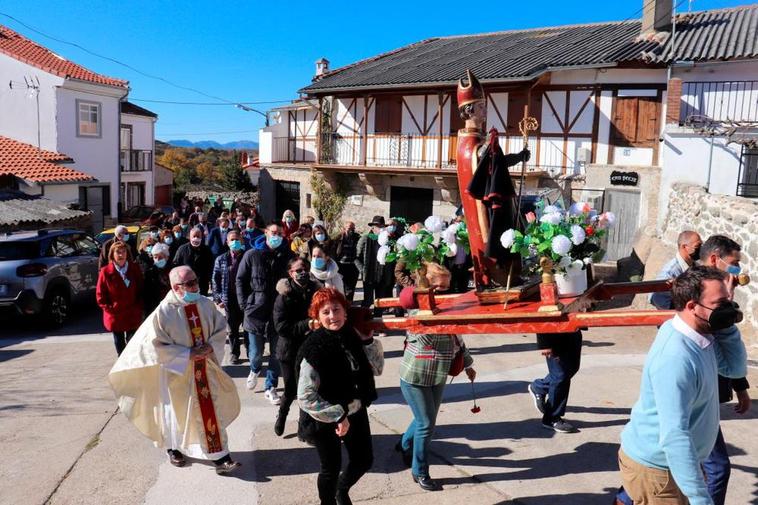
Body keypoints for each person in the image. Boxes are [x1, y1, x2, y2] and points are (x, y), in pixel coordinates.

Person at [618, 266, 746, 505]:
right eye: (720, 304)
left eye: (728, 301)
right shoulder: (676, 357)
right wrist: (700, 498)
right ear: (691, 306)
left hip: (672, 464)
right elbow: (675, 436)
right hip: (658, 470)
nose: (728, 310)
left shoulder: (701, 333)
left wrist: (725, 320)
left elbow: (734, 368)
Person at [108, 266, 241, 475]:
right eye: (188, 284)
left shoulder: (205, 304)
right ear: (175, 287)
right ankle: (173, 449)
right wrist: (187, 354)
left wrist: (210, 346)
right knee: (175, 414)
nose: (194, 286)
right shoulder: (164, 311)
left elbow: (220, 328)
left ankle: (221, 457)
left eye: (195, 281)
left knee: (209, 410)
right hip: (177, 372)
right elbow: (155, 346)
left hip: (204, 369)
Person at [297, 288, 383, 505]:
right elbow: (305, 396)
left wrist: (367, 341)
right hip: (324, 417)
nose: (332, 316)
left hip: (354, 407)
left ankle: (341, 490)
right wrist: (338, 416)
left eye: (336, 309)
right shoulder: (313, 347)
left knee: (363, 460)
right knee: (331, 469)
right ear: (317, 317)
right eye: (325, 312)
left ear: (345, 311)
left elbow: (376, 368)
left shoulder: (351, 335)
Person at [396, 263, 475, 491]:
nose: (444, 294)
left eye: (447, 289)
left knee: (425, 418)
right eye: (439, 289)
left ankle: (404, 444)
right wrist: (448, 319)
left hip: (437, 374)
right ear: (426, 287)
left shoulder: (446, 310)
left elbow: (456, 338)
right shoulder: (416, 311)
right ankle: (419, 471)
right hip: (416, 376)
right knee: (426, 424)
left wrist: (467, 363)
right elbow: (429, 338)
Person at [697, 235, 751, 505]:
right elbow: (724, 347)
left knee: (665, 463)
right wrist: (725, 306)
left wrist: (740, 387)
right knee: (717, 469)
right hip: (694, 393)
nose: (737, 271)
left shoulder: (716, 290)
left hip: (705, 390)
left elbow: (728, 357)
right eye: (734, 264)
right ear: (715, 259)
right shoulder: (696, 290)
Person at [236, 222, 294, 405]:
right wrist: (244, 304)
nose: (276, 236)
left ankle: (271, 387)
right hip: (255, 311)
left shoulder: (287, 256)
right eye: (273, 232)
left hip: (279, 312)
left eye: (279, 233)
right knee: (256, 353)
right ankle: (254, 369)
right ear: (266, 233)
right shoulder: (252, 254)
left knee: (277, 352)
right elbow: (240, 280)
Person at [272, 258, 323, 436]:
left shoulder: (316, 292)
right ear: (290, 273)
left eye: (305, 269)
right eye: (298, 270)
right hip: (289, 351)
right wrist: (307, 325)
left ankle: (304, 429)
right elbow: (281, 328)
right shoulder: (283, 297)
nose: (303, 273)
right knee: (291, 389)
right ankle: (282, 415)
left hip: (310, 350)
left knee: (307, 389)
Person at [527, 327, 583, 433]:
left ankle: (540, 387)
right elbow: (543, 316)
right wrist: (544, 344)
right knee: (560, 376)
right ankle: (551, 418)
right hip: (554, 337)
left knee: (571, 369)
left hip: (573, 330)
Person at [96, 242, 144, 355]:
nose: (121, 255)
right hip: (116, 315)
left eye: (124, 252)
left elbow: (141, 289)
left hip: (132, 314)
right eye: (118, 252)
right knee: (120, 345)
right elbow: (100, 295)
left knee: (133, 344)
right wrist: (110, 308)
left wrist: (138, 307)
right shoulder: (106, 271)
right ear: (112, 254)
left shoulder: (134, 268)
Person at [212, 229, 247, 365]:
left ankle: (250, 349)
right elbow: (215, 279)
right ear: (227, 242)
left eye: (237, 239)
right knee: (232, 329)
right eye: (232, 240)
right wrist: (218, 298)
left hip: (244, 298)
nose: (235, 242)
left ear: (242, 241)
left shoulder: (247, 257)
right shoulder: (221, 259)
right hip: (229, 298)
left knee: (247, 327)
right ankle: (234, 353)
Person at [649, 231, 702, 310]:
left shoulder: (696, 266)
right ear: (684, 247)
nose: (701, 249)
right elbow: (656, 298)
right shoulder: (670, 272)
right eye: (697, 246)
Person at [356, 216, 385, 316]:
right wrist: (363, 270)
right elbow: (356, 257)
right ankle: (363, 320)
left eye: (381, 226)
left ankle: (378, 323)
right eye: (377, 226)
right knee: (368, 301)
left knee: (380, 301)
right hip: (368, 275)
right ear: (372, 227)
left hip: (381, 275)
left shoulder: (385, 240)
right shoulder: (365, 238)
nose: (380, 228)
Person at [173, 227, 214, 295]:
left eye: (198, 236)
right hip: (186, 284)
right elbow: (176, 264)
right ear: (190, 237)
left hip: (202, 284)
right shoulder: (182, 249)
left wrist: (210, 281)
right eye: (194, 236)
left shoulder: (207, 250)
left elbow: (211, 266)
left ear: (201, 237)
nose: (196, 238)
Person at [334, 221, 361, 302]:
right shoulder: (338, 238)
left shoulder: (357, 238)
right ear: (344, 228)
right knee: (340, 286)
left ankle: (349, 305)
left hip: (353, 266)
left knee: (351, 288)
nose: (351, 230)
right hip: (341, 266)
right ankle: (342, 303)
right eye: (349, 228)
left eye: (353, 228)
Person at [144, 243, 173, 314]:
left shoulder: (174, 270)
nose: (157, 259)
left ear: (166, 257)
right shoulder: (149, 273)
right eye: (155, 257)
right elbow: (147, 294)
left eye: (160, 257)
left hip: (173, 305)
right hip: (157, 307)